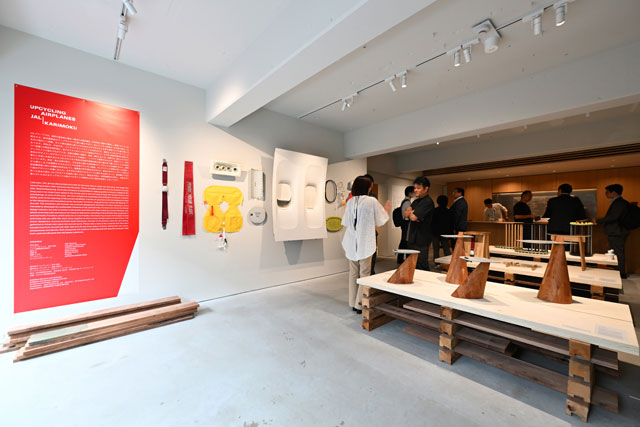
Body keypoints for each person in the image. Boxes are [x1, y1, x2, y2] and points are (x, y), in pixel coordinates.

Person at [341, 176, 391, 313]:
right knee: (365, 274)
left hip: (351, 242)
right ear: (367, 188)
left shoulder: (350, 202)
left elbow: (345, 222)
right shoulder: (371, 201)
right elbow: (380, 220)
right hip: (365, 242)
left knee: (353, 273)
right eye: (370, 187)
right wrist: (386, 210)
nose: (370, 189)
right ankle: (359, 304)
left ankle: (352, 302)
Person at [596, 184, 629, 279]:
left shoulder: (619, 203)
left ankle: (620, 273)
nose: (606, 194)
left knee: (618, 253)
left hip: (617, 231)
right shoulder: (618, 202)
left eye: (607, 192)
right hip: (617, 231)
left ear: (614, 193)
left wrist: (598, 221)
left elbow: (613, 217)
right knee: (617, 252)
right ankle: (618, 272)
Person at [404, 176, 435, 271]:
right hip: (413, 237)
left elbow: (413, 217)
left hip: (422, 238)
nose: (415, 190)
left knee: (421, 264)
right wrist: (412, 213)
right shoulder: (416, 201)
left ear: (426, 189)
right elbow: (405, 214)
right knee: (412, 264)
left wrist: (412, 213)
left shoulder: (428, 202)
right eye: (415, 188)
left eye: (418, 188)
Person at [363, 173, 379, 274]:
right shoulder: (357, 196)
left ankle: (371, 272)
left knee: (372, 253)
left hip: (371, 230)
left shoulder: (373, 196)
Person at [431, 195, 453, 260]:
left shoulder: (434, 210)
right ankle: (449, 261)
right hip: (445, 232)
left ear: (438, 202)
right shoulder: (449, 211)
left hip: (435, 232)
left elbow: (432, 222)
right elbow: (450, 223)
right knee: (446, 248)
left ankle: (436, 262)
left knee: (436, 249)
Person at [397, 186, 415, 264]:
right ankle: (404, 258)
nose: (414, 193)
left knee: (403, 241)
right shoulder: (407, 202)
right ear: (409, 193)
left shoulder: (405, 201)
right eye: (413, 192)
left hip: (404, 223)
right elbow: (407, 214)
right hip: (406, 223)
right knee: (405, 241)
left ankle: (400, 258)